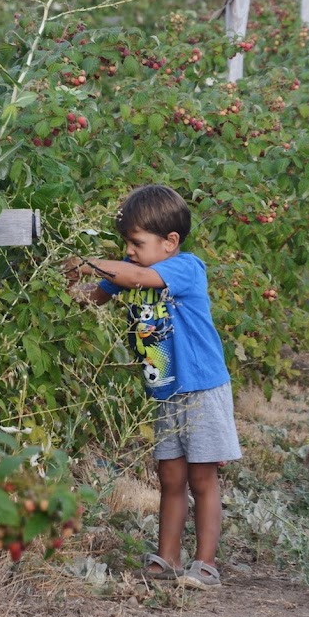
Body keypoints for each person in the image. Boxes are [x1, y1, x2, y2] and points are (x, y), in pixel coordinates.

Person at [64, 184, 241, 590]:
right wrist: (61, 286)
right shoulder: (130, 272)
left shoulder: (185, 268)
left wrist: (90, 262)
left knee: (203, 478)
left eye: (136, 242)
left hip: (202, 389)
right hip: (165, 390)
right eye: (125, 242)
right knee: (170, 477)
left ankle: (206, 564)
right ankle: (167, 558)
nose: (128, 250)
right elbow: (95, 297)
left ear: (170, 242)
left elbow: (139, 275)